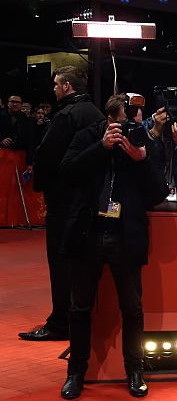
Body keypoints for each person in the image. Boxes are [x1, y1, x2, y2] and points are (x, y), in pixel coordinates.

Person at [58, 94, 168, 399]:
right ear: (109, 119)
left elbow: (159, 191)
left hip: (126, 234)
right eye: (124, 121)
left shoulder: (144, 143)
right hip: (88, 231)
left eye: (136, 120)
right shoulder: (88, 137)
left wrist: (142, 159)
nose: (132, 127)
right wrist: (101, 147)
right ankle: (75, 372)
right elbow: (66, 172)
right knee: (79, 307)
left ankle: (135, 370)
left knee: (132, 308)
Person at [19, 66, 105, 343]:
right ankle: (78, 319)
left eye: (56, 85)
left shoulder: (67, 115)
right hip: (88, 200)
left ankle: (60, 323)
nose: (53, 90)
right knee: (82, 265)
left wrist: (42, 185)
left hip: (65, 201)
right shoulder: (95, 113)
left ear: (67, 86)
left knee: (60, 263)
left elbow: (47, 156)